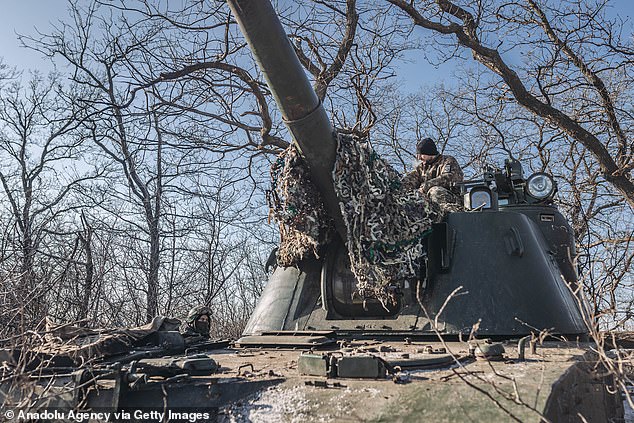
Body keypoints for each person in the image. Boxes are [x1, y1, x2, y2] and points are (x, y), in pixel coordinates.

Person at [402, 137, 464, 212]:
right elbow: (410, 179)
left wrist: (426, 186)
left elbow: (448, 178)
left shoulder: (448, 161)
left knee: (434, 191)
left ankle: (443, 214)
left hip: (452, 199)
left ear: (429, 153)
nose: (419, 158)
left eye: (421, 154)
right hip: (428, 201)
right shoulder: (422, 168)